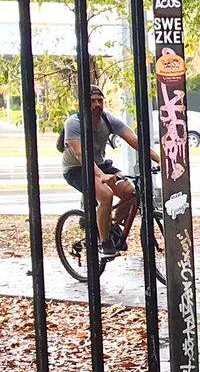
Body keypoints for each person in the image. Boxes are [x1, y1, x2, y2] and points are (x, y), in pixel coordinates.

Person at [62, 84, 160, 258]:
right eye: (92, 101)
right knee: (106, 195)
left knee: (131, 192)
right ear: (83, 103)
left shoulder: (108, 120)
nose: (97, 104)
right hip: (77, 168)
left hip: (101, 164)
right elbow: (80, 154)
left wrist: (160, 160)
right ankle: (105, 242)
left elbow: (135, 141)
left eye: (100, 100)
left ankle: (111, 228)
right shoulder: (74, 123)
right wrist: (100, 175)